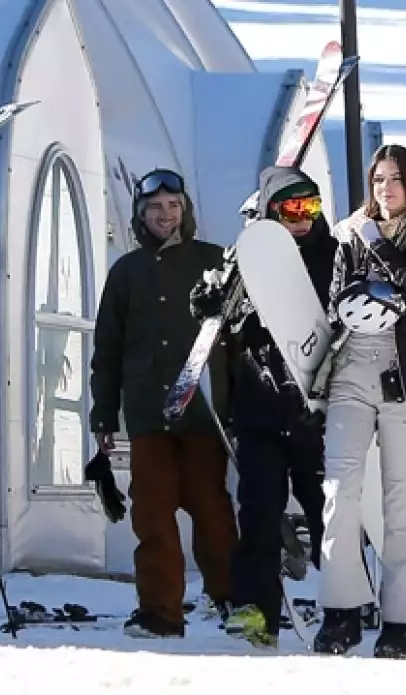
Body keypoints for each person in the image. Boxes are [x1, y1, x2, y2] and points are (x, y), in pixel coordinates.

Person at [314, 144, 406, 659]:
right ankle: (341, 612)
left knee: (400, 500)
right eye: (378, 179)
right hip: (352, 364)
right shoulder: (349, 232)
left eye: (395, 179)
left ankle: (401, 620)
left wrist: (381, 250)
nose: (385, 188)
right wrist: (351, 301)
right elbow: (334, 300)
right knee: (339, 491)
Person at [89, 168, 239, 639]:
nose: (165, 215)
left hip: (203, 412)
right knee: (152, 515)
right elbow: (107, 349)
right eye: (155, 207)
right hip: (148, 414)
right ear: (140, 213)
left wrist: (238, 403)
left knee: (212, 510)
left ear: (185, 211)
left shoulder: (215, 262)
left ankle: (234, 601)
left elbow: (240, 339)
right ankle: (160, 612)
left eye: (173, 206)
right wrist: (103, 413)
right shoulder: (126, 272)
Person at [191, 166, 336, 648]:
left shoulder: (336, 258)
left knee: (329, 511)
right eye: (292, 208)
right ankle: (255, 610)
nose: (303, 217)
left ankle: (348, 603)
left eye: (311, 206)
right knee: (258, 512)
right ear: (273, 212)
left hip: (317, 412)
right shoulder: (249, 260)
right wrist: (209, 299)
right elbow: (221, 309)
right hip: (261, 409)